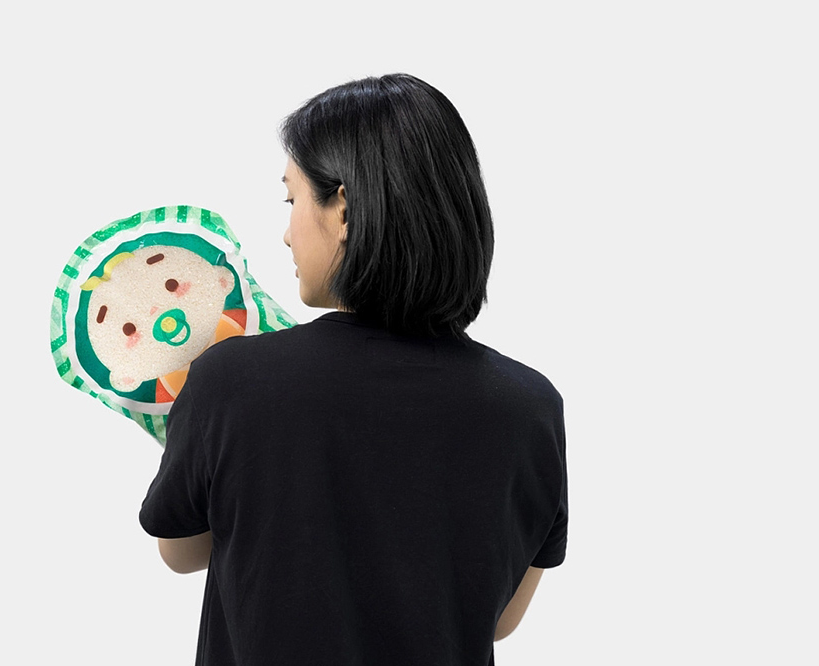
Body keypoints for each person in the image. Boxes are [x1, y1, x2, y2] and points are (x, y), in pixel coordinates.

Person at [139, 73, 568, 666]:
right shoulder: (531, 405)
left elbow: (181, 552)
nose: (285, 233)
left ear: (342, 208)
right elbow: (498, 621)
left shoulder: (231, 381)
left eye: (292, 200)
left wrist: (198, 418)